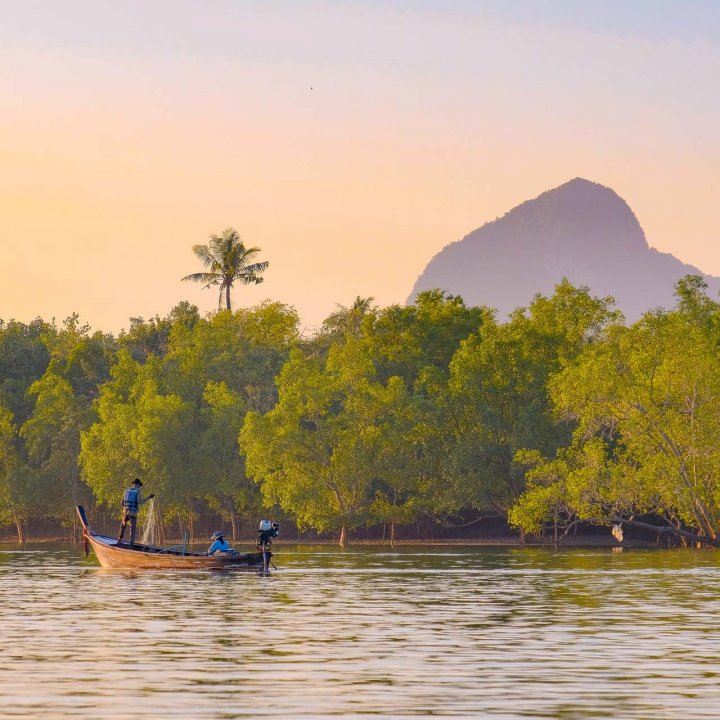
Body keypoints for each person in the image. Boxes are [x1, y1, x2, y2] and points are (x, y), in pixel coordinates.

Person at [117, 478, 154, 546]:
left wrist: (126, 508)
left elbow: (121, 502)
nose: (139, 487)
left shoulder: (127, 490)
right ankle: (131, 545)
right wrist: (149, 497)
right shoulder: (137, 491)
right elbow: (140, 502)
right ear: (137, 484)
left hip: (125, 512)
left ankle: (119, 540)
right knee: (132, 529)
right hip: (133, 514)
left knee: (123, 526)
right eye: (139, 485)